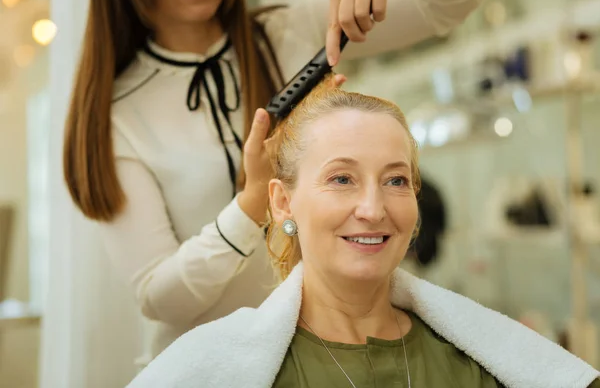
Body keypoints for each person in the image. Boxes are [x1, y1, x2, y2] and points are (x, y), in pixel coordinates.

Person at [62, 0, 487, 362]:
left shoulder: (291, 33)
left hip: (331, 356)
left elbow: (451, 5)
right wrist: (250, 204)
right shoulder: (118, 117)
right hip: (210, 370)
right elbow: (161, 297)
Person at [125, 76, 600, 388]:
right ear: (282, 201)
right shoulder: (209, 369)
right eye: (341, 179)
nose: (373, 209)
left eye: (396, 181)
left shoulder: (480, 365)